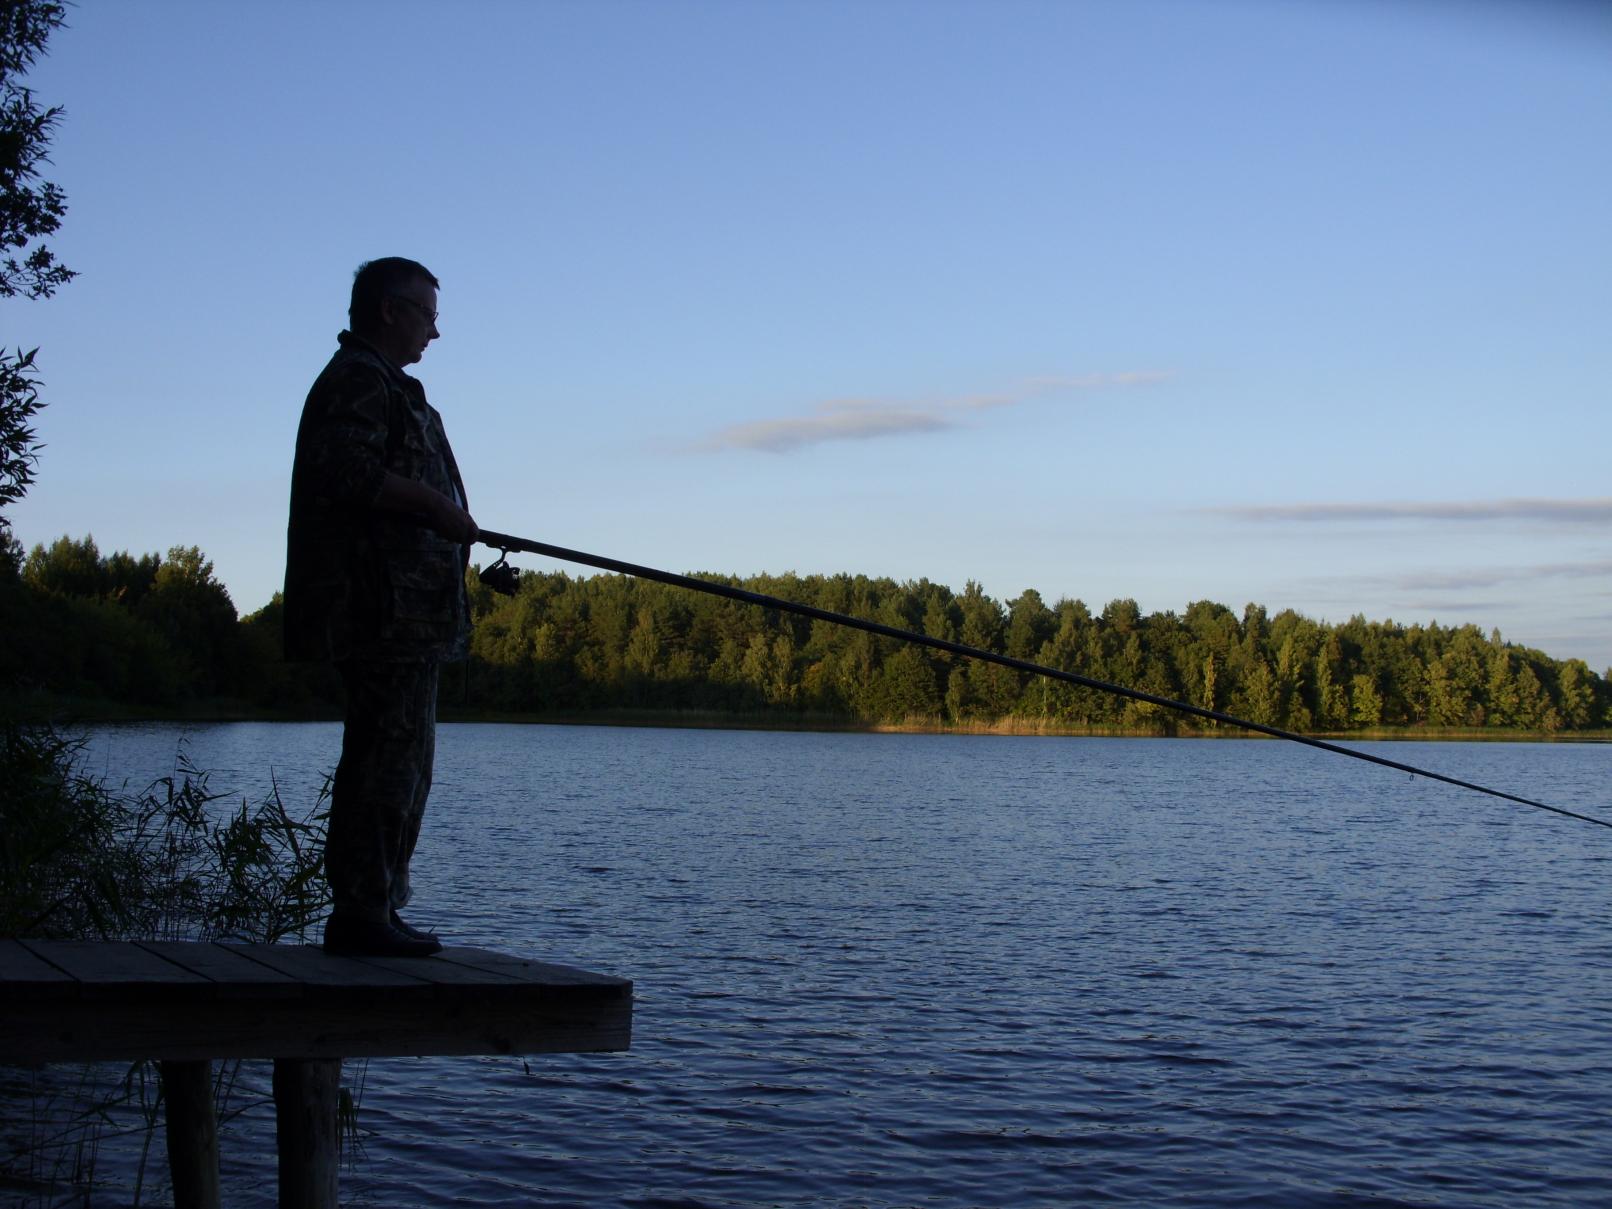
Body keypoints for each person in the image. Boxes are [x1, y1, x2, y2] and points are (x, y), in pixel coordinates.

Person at [284, 257, 478, 957]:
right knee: (384, 760)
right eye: (428, 314)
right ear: (390, 310)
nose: (435, 331)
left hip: (410, 617)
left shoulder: (390, 385)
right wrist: (434, 505)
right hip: (379, 611)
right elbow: (345, 472)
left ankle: (378, 906)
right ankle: (362, 915)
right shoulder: (359, 379)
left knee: (406, 760)